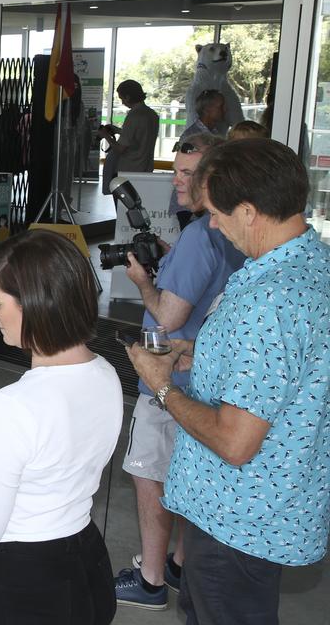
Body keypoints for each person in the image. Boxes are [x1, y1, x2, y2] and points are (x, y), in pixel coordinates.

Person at [126, 138, 330, 625]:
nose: (211, 224)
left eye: (217, 213)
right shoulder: (310, 264)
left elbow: (236, 442)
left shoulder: (270, 300)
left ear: (249, 210)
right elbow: (285, 372)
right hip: (264, 512)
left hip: (236, 522)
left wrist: (161, 386)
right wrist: (198, 353)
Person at [0, 229, 122, 625]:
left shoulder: (11, 407)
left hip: (21, 588)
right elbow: (50, 470)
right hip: (85, 566)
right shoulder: (106, 375)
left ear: (36, 303)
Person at [112, 132, 245, 610]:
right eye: (177, 171)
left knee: (150, 477)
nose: (180, 181)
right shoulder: (222, 232)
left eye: (191, 173)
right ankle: (178, 565)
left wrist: (144, 282)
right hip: (207, 382)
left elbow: (167, 321)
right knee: (190, 476)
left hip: (170, 381)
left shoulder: (198, 236)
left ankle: (149, 581)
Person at [100, 79, 157, 196]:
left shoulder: (133, 116)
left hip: (129, 170)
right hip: (146, 167)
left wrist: (105, 136)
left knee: (124, 208)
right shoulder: (152, 114)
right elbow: (140, 137)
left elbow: (120, 149)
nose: (122, 102)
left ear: (128, 97)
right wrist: (119, 131)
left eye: (122, 98)